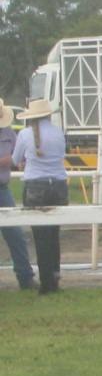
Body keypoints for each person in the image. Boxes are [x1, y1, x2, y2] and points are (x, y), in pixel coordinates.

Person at [9, 96, 70, 294]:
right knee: (53, 235)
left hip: (36, 186)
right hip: (59, 185)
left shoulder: (25, 134)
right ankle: (54, 276)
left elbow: (15, 160)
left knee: (41, 237)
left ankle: (46, 283)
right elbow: (61, 156)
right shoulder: (58, 133)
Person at [0, 105, 34, 291]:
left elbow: (18, 155)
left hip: (2, 189)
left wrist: (19, 160)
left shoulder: (8, 132)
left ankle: (25, 277)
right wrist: (8, 160)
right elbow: (12, 158)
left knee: (16, 235)